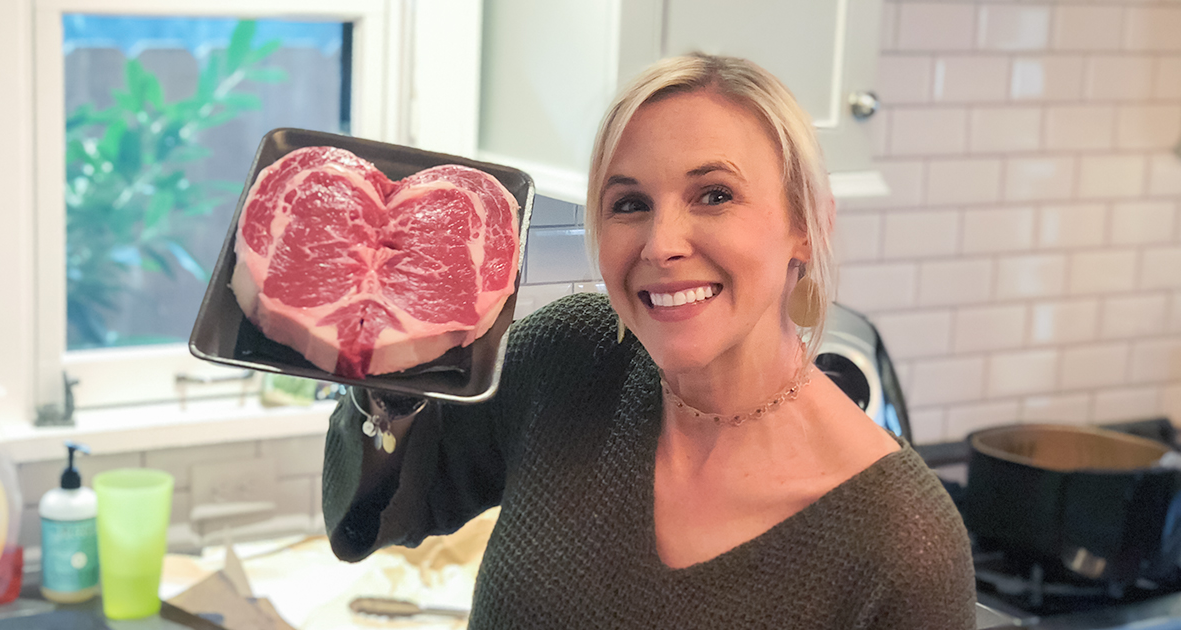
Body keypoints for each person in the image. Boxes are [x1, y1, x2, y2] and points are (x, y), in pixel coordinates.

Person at [321, 53, 976, 628]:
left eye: (714, 195)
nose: (662, 245)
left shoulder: (901, 543)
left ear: (807, 225)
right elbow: (379, 516)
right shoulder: (568, 359)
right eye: (629, 204)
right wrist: (392, 380)